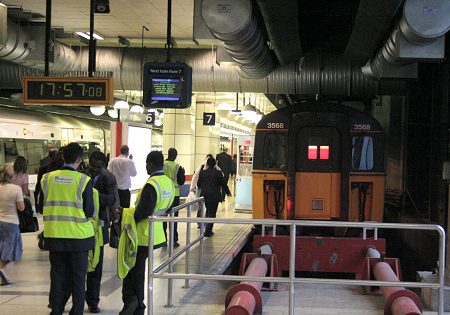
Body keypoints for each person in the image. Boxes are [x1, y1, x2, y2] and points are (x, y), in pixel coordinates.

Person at [41, 142, 95, 315]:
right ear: (79, 160)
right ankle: (76, 312)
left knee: (57, 277)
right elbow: (89, 211)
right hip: (79, 238)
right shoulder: (83, 180)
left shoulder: (47, 178)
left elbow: (41, 206)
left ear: (63, 156)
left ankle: (56, 311)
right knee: (79, 279)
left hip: (55, 236)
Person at [120, 150, 174, 315]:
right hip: (157, 233)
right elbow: (169, 206)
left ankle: (135, 304)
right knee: (138, 269)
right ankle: (135, 303)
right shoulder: (168, 182)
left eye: (146, 164)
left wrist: (125, 214)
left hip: (142, 234)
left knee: (133, 271)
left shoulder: (151, 184)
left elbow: (143, 211)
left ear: (150, 164)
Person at [84, 151, 117, 313]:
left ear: (103, 165)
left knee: (95, 267)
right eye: (92, 166)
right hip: (80, 226)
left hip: (99, 227)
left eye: (97, 167)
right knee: (77, 266)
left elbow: (112, 199)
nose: (94, 170)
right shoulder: (81, 174)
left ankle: (93, 302)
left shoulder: (109, 178)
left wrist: (94, 196)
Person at [0, 165, 25, 286]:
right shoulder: (16, 189)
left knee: (1, 247)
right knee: (13, 250)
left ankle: (3, 275)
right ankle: (1, 269)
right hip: (11, 222)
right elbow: (21, 207)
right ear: (12, 176)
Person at [197, 157, 231, 237]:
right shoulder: (218, 173)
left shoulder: (202, 173)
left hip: (205, 195)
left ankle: (208, 228)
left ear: (207, 164)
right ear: (215, 164)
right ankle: (207, 231)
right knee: (212, 213)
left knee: (208, 210)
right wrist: (228, 192)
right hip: (214, 196)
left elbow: (199, 184)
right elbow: (223, 184)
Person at [162, 148, 185, 248]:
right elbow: (181, 182)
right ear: (175, 156)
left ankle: (163, 240)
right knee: (174, 218)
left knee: (163, 218)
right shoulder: (177, 167)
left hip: (163, 195)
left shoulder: (162, 164)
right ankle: (174, 241)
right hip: (174, 195)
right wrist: (183, 173)